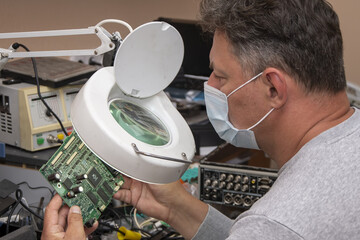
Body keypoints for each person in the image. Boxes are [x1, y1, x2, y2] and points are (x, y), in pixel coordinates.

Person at [43, 0, 360, 239]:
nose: (210, 86)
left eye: (220, 76)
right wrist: (176, 208)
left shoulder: (277, 223)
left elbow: (269, 230)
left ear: (274, 88)